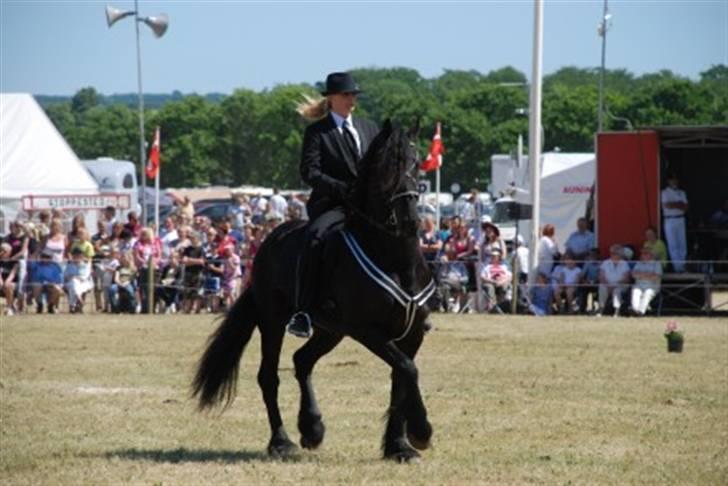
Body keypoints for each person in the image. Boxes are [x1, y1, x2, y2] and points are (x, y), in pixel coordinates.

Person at [286, 71, 379, 338]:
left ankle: (414, 300)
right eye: (346, 95)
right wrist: (343, 189)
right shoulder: (318, 132)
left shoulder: (368, 128)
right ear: (333, 99)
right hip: (332, 204)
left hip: (368, 206)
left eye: (353, 95)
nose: (351, 99)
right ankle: (303, 312)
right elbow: (310, 172)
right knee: (315, 237)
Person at [661, 174, 688, 272]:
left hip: (680, 218)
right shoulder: (664, 192)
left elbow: (685, 207)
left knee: (682, 243)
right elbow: (667, 205)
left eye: (675, 179)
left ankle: (683, 266)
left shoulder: (682, 192)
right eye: (672, 179)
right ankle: (677, 268)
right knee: (673, 244)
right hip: (670, 219)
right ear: (668, 181)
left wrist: (675, 204)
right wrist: (679, 204)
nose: (674, 181)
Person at [597, 244, 631, 317]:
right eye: (612, 253)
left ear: (620, 254)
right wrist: (608, 285)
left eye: (616, 253)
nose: (614, 254)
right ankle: (600, 310)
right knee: (602, 287)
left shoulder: (624, 264)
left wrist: (614, 285)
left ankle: (617, 311)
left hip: (620, 285)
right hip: (607, 284)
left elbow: (626, 278)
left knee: (617, 291)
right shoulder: (605, 263)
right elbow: (601, 276)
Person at [630, 246, 662, 316]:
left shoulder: (656, 264)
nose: (643, 255)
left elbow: (656, 276)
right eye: (642, 253)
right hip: (639, 285)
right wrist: (648, 275)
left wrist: (641, 275)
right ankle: (635, 310)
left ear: (651, 255)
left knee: (648, 292)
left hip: (652, 286)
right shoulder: (639, 263)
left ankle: (641, 312)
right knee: (635, 291)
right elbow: (633, 274)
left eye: (645, 253)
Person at [479, 247, 512, 312]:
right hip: (491, 282)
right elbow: (482, 277)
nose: (493, 257)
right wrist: (493, 281)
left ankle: (501, 306)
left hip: (502, 282)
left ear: (499, 257)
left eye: (495, 256)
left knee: (505, 286)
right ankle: (492, 306)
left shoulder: (504, 266)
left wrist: (502, 281)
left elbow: (510, 277)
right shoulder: (487, 266)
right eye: (492, 256)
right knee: (489, 287)